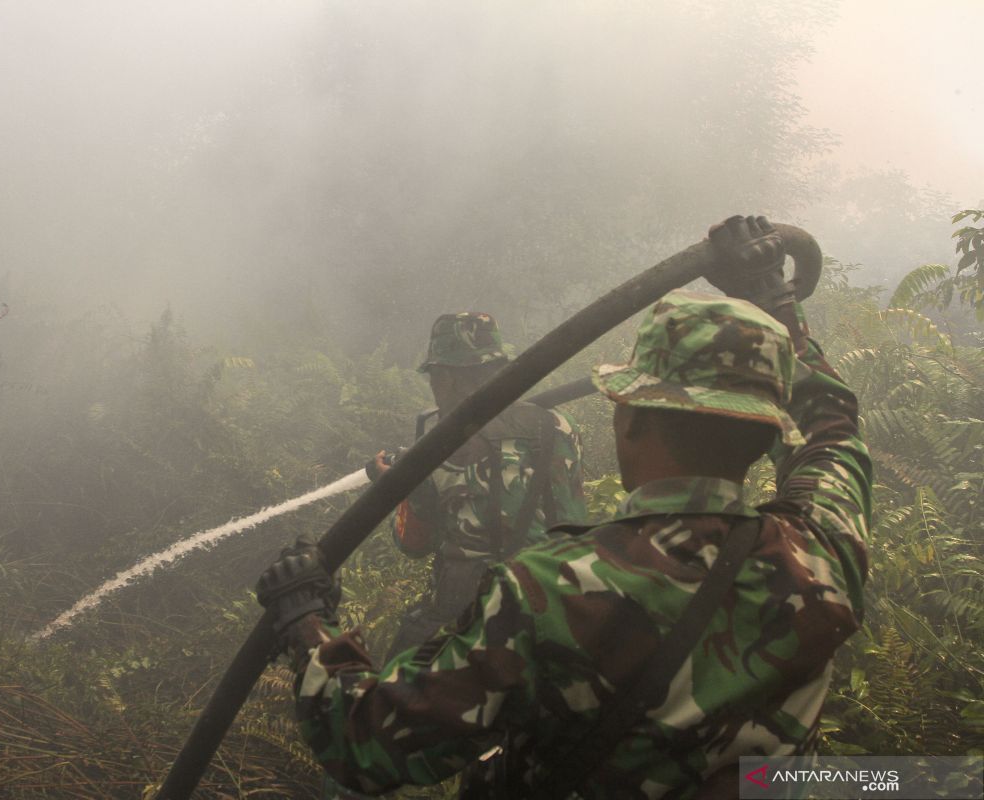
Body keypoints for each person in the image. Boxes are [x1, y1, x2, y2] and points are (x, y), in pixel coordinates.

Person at [256, 216, 870, 798]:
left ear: (629, 421)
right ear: (769, 435)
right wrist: (775, 300)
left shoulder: (549, 591)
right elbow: (833, 430)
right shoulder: (822, 547)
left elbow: (366, 741)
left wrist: (306, 620)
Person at [368, 311, 589, 659]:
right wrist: (412, 483)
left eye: (437, 378)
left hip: (506, 621)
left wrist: (405, 484)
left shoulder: (544, 431)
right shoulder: (557, 425)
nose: (443, 388)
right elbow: (414, 546)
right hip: (518, 610)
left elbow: (414, 545)